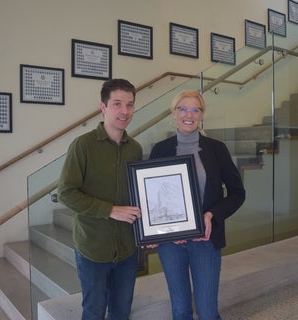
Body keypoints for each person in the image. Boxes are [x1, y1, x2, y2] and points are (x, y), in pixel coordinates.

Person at [149, 90, 246, 320]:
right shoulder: (160, 150)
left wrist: (212, 214)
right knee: (180, 310)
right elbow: (152, 197)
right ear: (174, 113)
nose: (188, 114)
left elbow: (237, 193)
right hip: (171, 243)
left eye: (195, 109)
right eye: (182, 108)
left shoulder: (216, 149)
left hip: (205, 240)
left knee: (207, 311)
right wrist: (151, 230)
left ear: (202, 114)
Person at [58, 78, 142, 320]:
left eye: (129, 105)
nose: (124, 111)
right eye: (117, 104)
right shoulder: (82, 146)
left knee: (121, 311)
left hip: (127, 249)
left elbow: (137, 194)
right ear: (103, 107)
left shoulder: (135, 148)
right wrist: (110, 210)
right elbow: (66, 192)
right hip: (93, 249)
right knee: (94, 312)